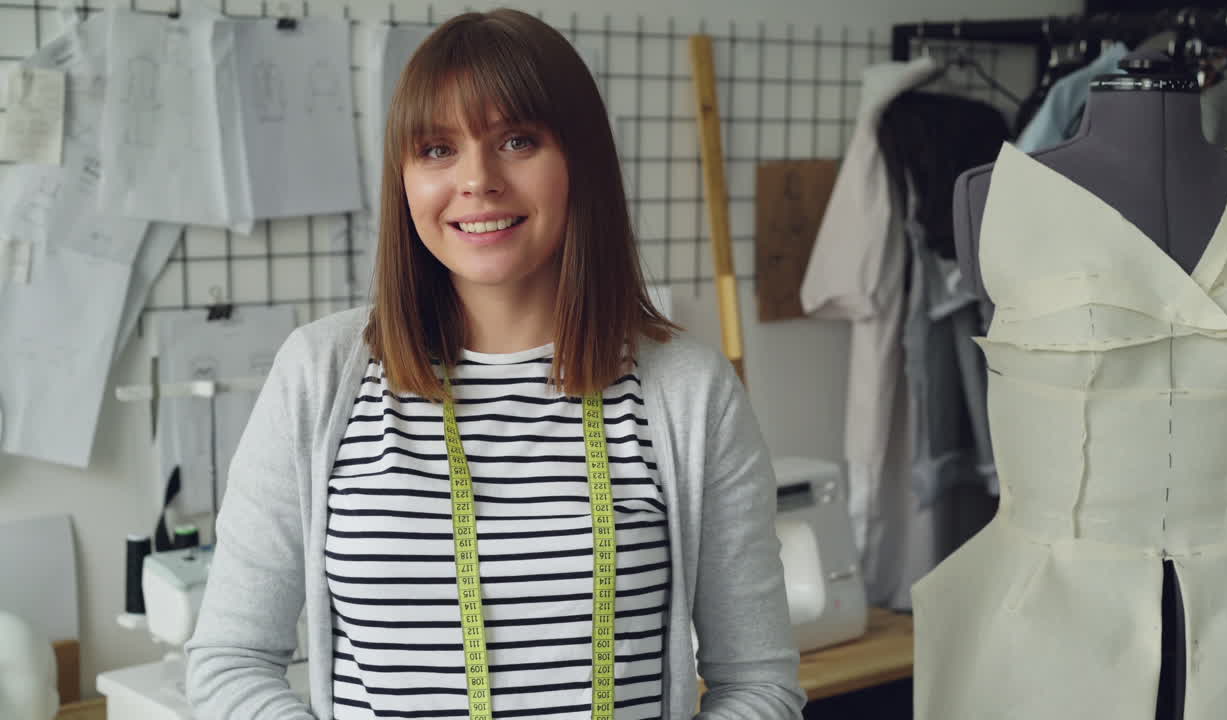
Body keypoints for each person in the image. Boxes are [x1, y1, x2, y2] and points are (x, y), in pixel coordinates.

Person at [185, 9, 803, 720]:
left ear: (581, 161)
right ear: (405, 180)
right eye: (438, 149)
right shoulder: (320, 376)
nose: (477, 180)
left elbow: (760, 685)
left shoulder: (687, 392)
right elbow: (229, 662)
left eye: (517, 140)